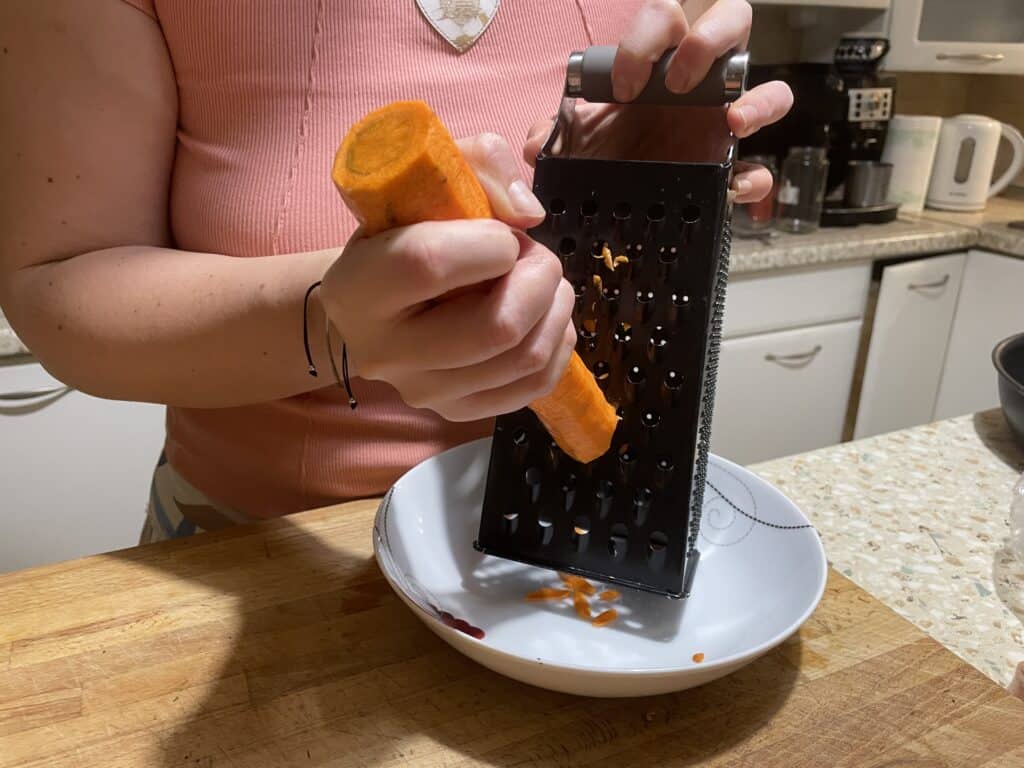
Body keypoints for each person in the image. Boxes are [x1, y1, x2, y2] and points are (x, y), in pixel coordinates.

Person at [0, 0, 792, 542]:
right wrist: (331, 322)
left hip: (586, 525)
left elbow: (627, 303)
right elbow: (56, 285)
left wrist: (657, 205)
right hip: (266, 550)